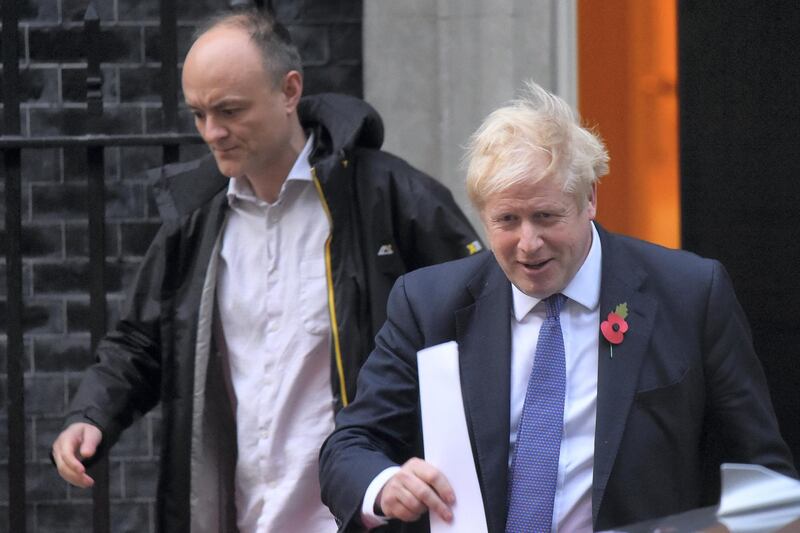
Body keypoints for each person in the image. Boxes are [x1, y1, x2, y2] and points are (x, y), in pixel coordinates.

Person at [50, 8, 482, 533]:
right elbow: (141, 342)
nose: (213, 132)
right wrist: (89, 415)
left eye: (230, 110)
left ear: (289, 90)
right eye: (198, 114)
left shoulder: (389, 197)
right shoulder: (195, 219)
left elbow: (481, 327)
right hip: (238, 516)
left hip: (362, 518)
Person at [318, 81, 796, 532]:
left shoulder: (690, 294)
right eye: (507, 220)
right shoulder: (428, 304)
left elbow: (763, 475)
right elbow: (350, 446)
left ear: (589, 198)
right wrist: (385, 485)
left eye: (546, 217)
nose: (528, 243)